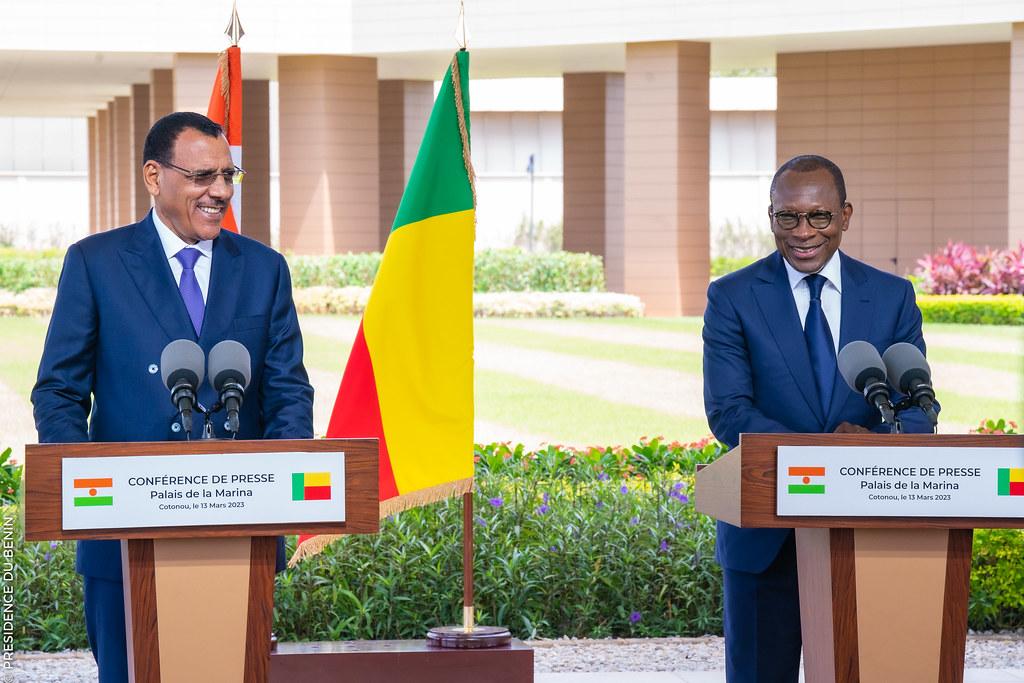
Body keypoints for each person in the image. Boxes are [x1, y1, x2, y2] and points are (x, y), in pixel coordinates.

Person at [32, 111, 314, 682]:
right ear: (154, 177)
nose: (219, 192)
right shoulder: (95, 263)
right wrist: (88, 487)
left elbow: (288, 392)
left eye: (229, 176)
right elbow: (58, 391)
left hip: (241, 539)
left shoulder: (264, 268)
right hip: (121, 542)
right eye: (202, 176)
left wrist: (281, 484)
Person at [702, 154, 934, 682]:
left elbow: (918, 410)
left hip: (869, 534)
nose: (803, 232)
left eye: (820, 217)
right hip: (764, 538)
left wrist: (871, 443)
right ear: (772, 216)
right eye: (789, 217)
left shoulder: (892, 296)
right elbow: (729, 413)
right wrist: (826, 455)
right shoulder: (732, 297)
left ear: (845, 216)